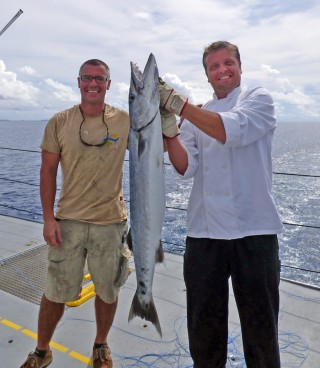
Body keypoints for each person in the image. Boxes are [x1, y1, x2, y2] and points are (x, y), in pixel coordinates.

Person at [159, 41, 283, 368]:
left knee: (261, 330)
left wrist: (180, 107)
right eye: (214, 67)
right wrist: (170, 132)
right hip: (204, 235)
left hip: (255, 233)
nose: (222, 70)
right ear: (207, 76)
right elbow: (185, 168)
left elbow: (234, 131)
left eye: (228, 63)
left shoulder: (259, 99)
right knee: (203, 330)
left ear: (240, 67)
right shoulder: (197, 115)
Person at [20, 59, 130, 368]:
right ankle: (42, 351)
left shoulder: (124, 120)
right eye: (87, 78)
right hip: (68, 222)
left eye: (100, 78)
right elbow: (47, 171)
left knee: (108, 291)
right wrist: (47, 218)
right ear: (78, 82)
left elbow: (155, 143)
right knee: (55, 291)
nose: (93, 83)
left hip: (110, 222)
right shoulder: (59, 121)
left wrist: (176, 112)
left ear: (109, 84)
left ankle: (100, 346)